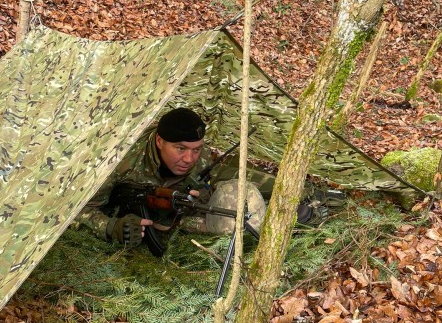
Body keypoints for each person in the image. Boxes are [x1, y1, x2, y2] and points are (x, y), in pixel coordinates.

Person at [76, 107, 338, 254]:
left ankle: (303, 197)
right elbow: (75, 210)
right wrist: (110, 227)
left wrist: (197, 194)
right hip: (127, 202)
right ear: (159, 141)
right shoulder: (118, 161)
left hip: (169, 205)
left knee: (237, 185)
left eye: (196, 149)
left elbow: (215, 179)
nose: (189, 158)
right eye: (180, 149)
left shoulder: (199, 161)